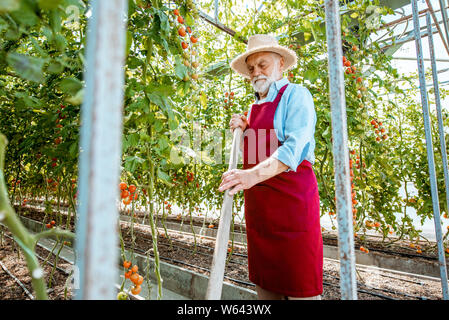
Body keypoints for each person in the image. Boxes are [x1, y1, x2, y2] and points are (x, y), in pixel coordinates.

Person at [218, 34, 323, 300]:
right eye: (251, 68)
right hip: (262, 214)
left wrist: (250, 176)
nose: (256, 72)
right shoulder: (252, 110)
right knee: (266, 289)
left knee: (302, 288)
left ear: (280, 65)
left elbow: (294, 149)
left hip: (292, 209)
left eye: (262, 65)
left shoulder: (296, 96)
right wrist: (242, 134)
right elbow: (252, 157)